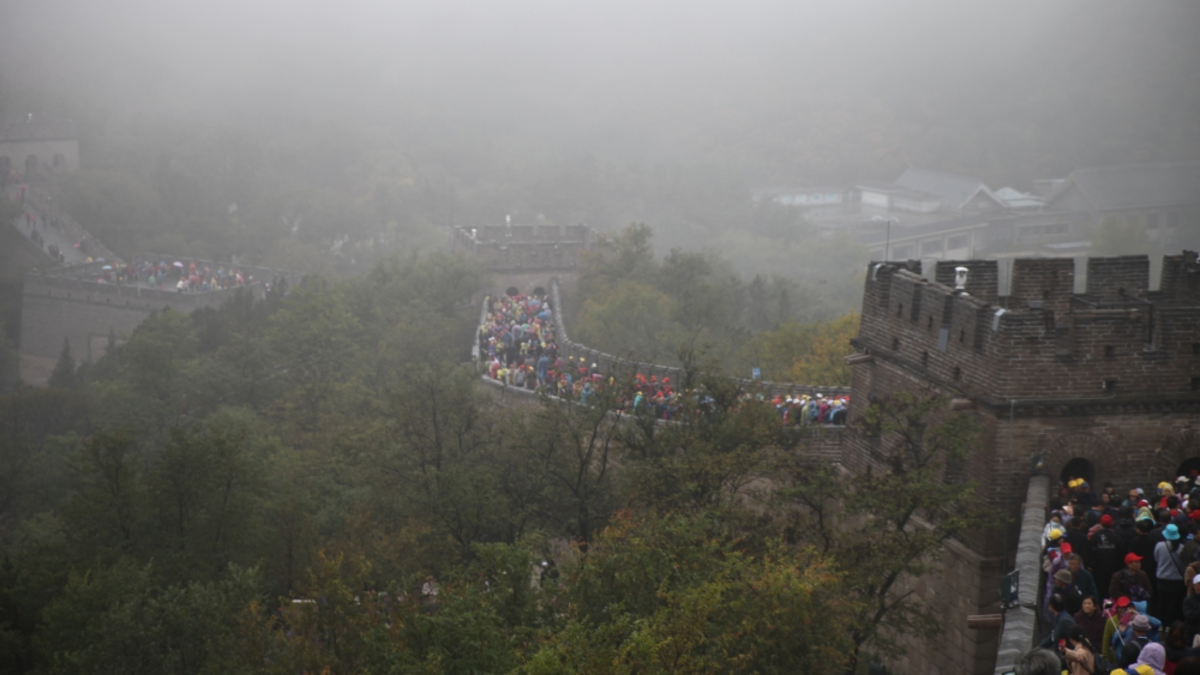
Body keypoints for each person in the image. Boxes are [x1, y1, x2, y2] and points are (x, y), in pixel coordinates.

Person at [1155, 524, 1188, 627]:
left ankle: (1161, 625)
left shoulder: (1159, 545)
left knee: (1162, 603)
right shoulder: (1182, 548)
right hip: (1177, 581)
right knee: (1173, 605)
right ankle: (1170, 625)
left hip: (1162, 579)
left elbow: (1156, 558)